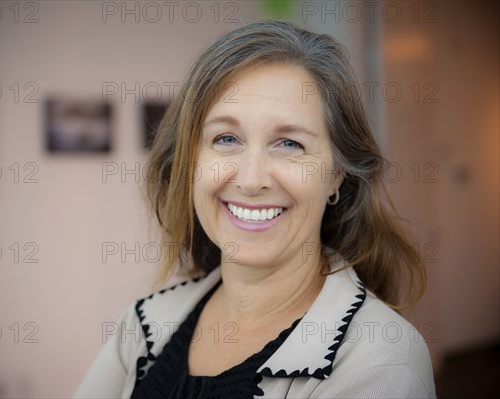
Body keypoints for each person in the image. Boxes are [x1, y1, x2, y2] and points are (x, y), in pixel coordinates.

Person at [74, 20, 435, 398]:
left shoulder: (381, 360)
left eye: (290, 143)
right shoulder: (142, 323)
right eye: (226, 138)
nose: (250, 179)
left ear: (336, 174)